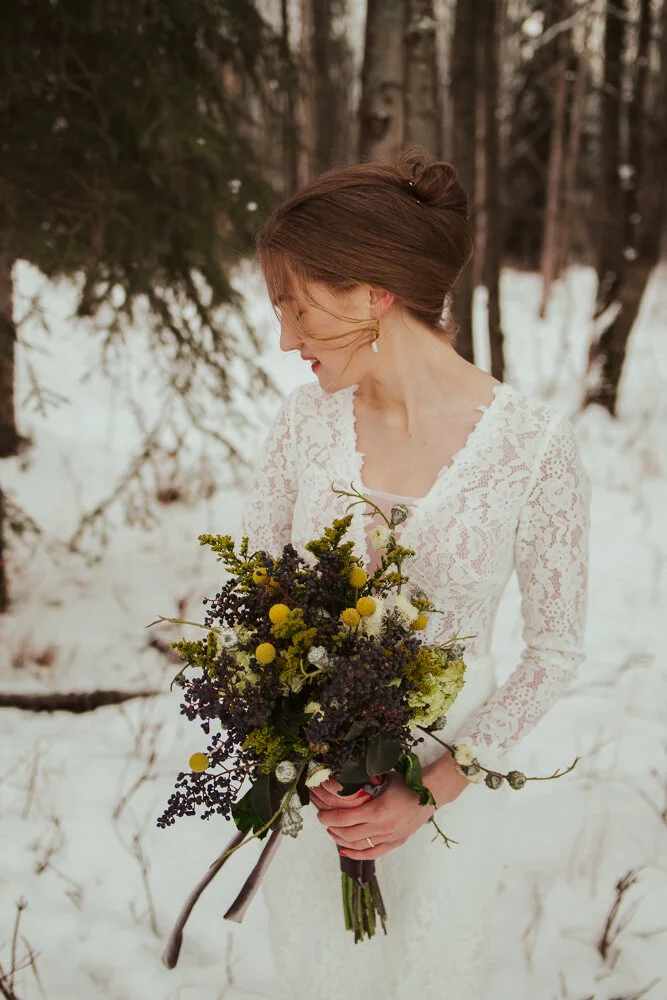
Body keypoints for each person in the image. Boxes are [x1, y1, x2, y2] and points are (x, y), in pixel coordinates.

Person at [238, 149, 591, 1000]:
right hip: (319, 802)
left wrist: (429, 791)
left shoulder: (532, 448)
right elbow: (251, 604)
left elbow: (554, 652)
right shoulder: (303, 424)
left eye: (296, 305)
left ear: (372, 294)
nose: (285, 338)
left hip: (448, 803)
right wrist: (305, 757)